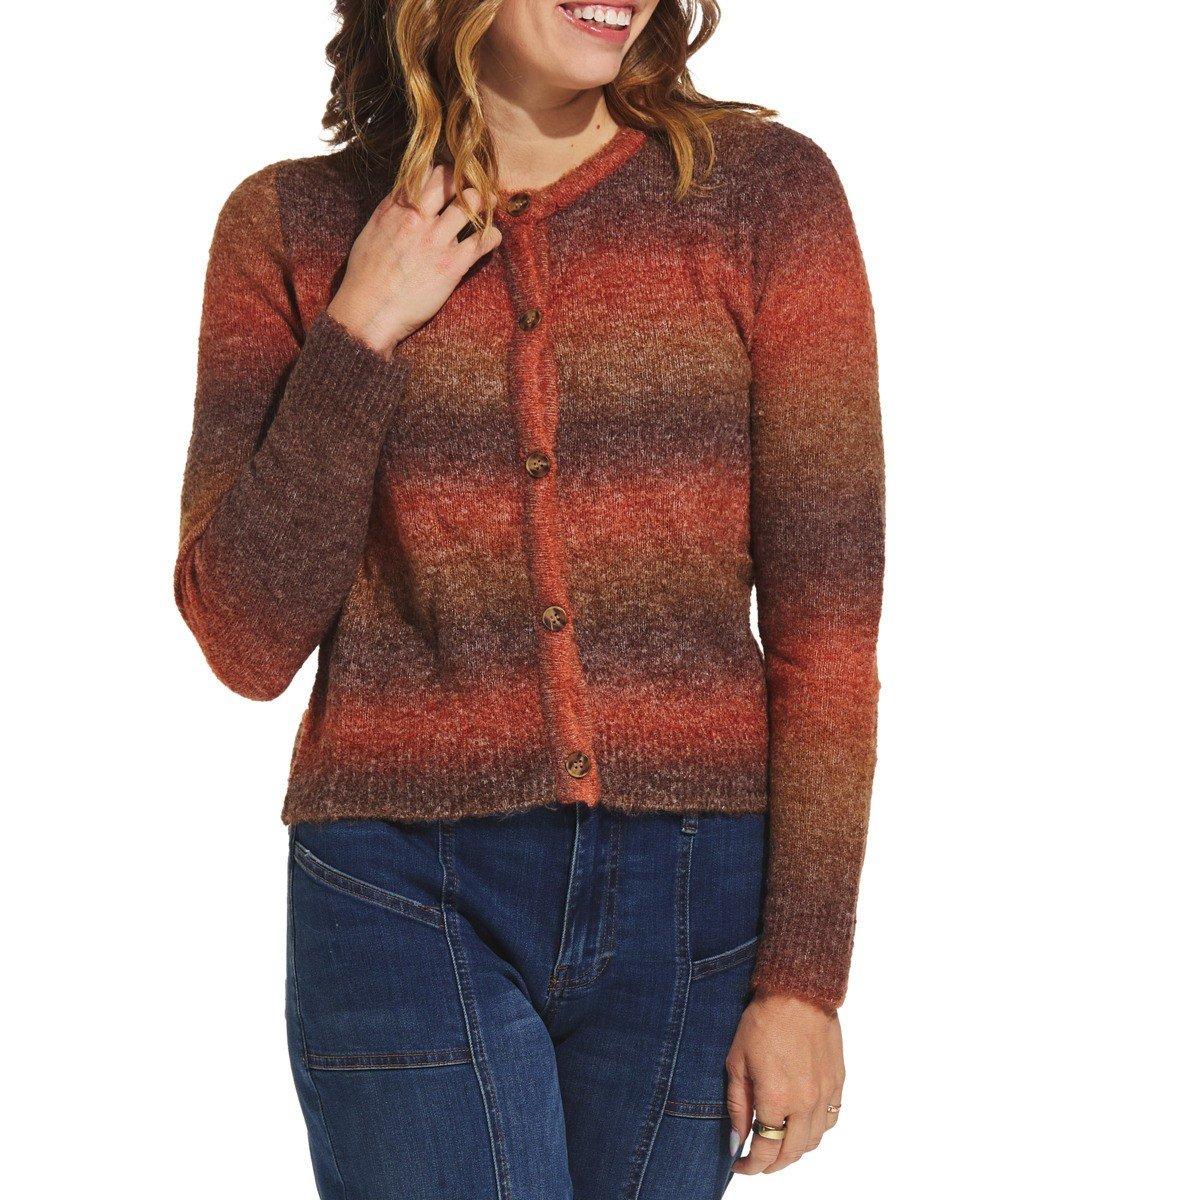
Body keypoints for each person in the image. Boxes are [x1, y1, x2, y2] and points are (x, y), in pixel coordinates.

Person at [174, 1, 884, 1196]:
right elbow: (244, 637)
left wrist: (805, 980)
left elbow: (828, 633)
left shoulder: (763, 198)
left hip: (691, 901)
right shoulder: (295, 225)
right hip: (397, 887)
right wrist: (362, 325)